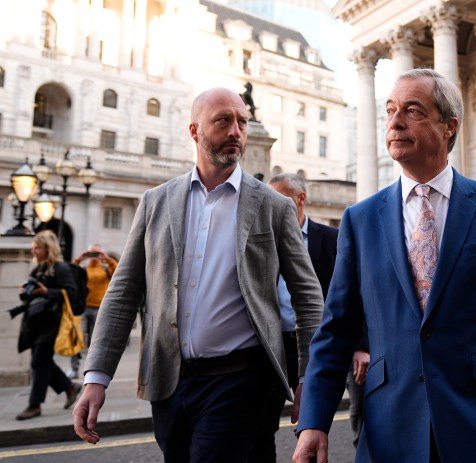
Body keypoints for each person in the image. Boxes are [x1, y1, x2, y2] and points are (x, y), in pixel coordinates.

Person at [293, 68, 476, 463]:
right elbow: (335, 330)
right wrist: (314, 423)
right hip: (391, 429)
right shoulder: (360, 220)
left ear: (449, 126)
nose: (394, 121)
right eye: (391, 110)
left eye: (412, 110)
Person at [72, 87, 325, 462]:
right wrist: (96, 376)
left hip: (240, 380)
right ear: (194, 131)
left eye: (242, 121)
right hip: (169, 383)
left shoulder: (273, 206)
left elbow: (308, 298)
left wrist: (310, 378)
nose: (237, 131)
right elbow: (123, 293)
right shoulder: (156, 202)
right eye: (223, 120)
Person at [267, 173, 356, 450]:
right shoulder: (262, 240)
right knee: (261, 425)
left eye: (279, 198)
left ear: (300, 199)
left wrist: (359, 345)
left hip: (318, 343)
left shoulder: (331, 238)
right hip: (273, 344)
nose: (272, 207)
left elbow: (353, 293)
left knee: (313, 423)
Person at [12, 230, 81, 420]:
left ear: (47, 248)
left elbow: (70, 293)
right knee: (42, 361)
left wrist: (46, 292)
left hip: (53, 323)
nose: (33, 252)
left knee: (38, 361)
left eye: (37, 248)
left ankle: (35, 405)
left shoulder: (61, 268)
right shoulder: (38, 269)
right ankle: (70, 387)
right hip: (35, 323)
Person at [65, 245, 117, 379]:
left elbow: (119, 273)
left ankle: (99, 372)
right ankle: (74, 368)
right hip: (84, 307)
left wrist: (106, 258)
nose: (93, 256)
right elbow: (69, 272)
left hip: (101, 308)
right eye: (91, 253)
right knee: (77, 338)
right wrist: (79, 258)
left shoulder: (105, 268)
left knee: (99, 341)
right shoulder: (83, 269)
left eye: (96, 253)